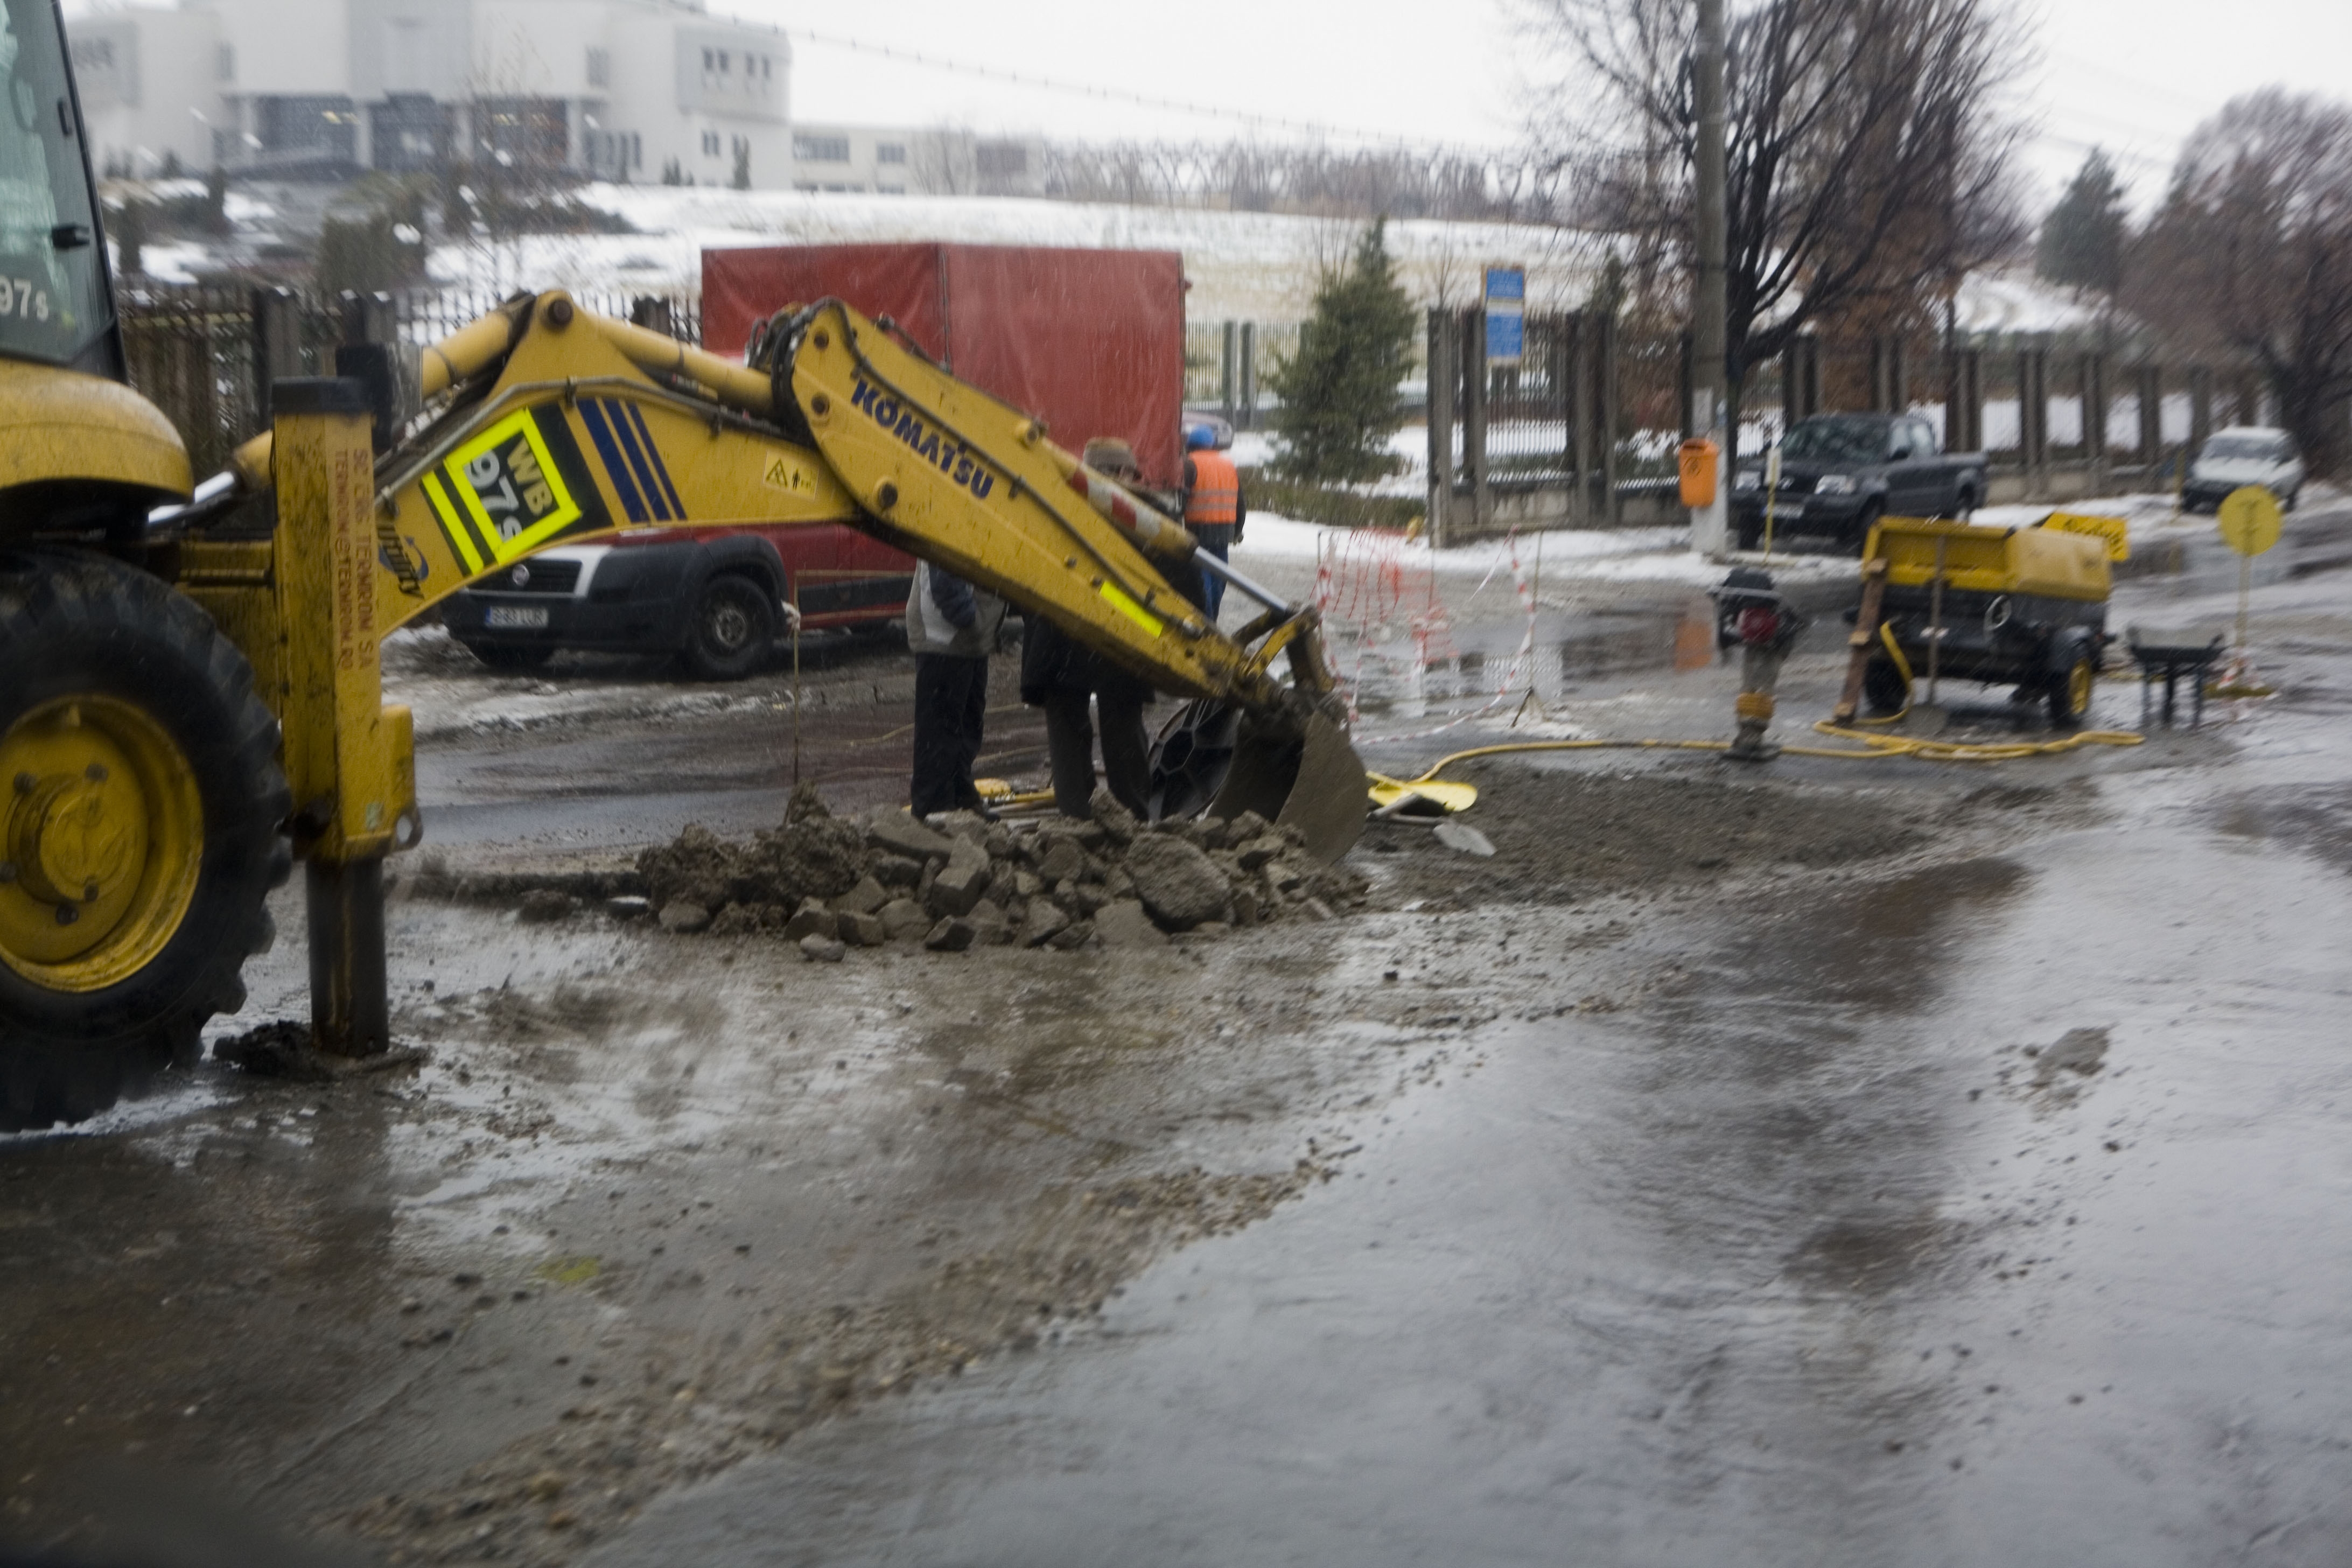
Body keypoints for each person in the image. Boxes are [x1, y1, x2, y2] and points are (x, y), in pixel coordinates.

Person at [1020, 436, 1160, 818]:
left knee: (1069, 734)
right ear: (1121, 473)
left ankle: (1078, 819)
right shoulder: (1145, 515)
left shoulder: (1053, 506)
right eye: (1131, 473)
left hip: (1059, 633)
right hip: (1118, 634)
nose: (1135, 480)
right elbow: (1179, 583)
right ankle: (1130, 819)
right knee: (1123, 731)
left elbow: (1023, 569)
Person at [906, 558, 1005, 819]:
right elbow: (944, 574)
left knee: (966, 723)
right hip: (945, 637)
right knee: (940, 729)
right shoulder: (953, 518)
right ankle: (935, 808)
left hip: (969, 639)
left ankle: (960, 796)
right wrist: (967, 616)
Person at [1180, 424, 1247, 620]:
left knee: (1202, 582)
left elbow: (1181, 501)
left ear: (1190, 445)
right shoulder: (1228, 466)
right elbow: (1240, 503)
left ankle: (1206, 623)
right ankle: (1213, 620)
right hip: (1224, 533)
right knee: (1218, 580)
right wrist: (1237, 531)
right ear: (1212, 446)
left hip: (1197, 532)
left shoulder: (1189, 464)